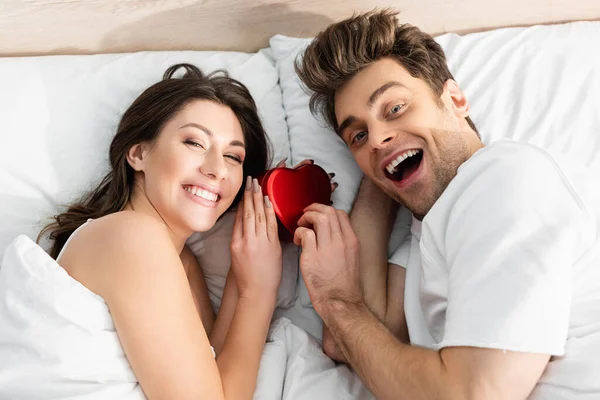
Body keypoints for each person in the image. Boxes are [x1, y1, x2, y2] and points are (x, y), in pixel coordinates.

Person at [293, 10, 600, 399]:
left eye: (395, 108)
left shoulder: (506, 182)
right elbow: (364, 342)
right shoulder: (431, 229)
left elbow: (473, 394)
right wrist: (383, 165)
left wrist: (334, 300)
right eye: (357, 134)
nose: (376, 138)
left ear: (455, 100)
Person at [0, 64, 282, 399]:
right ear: (138, 153)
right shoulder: (132, 236)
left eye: (233, 157)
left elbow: (213, 376)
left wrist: (244, 277)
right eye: (194, 142)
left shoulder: (182, 262)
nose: (217, 169)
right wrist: (259, 294)